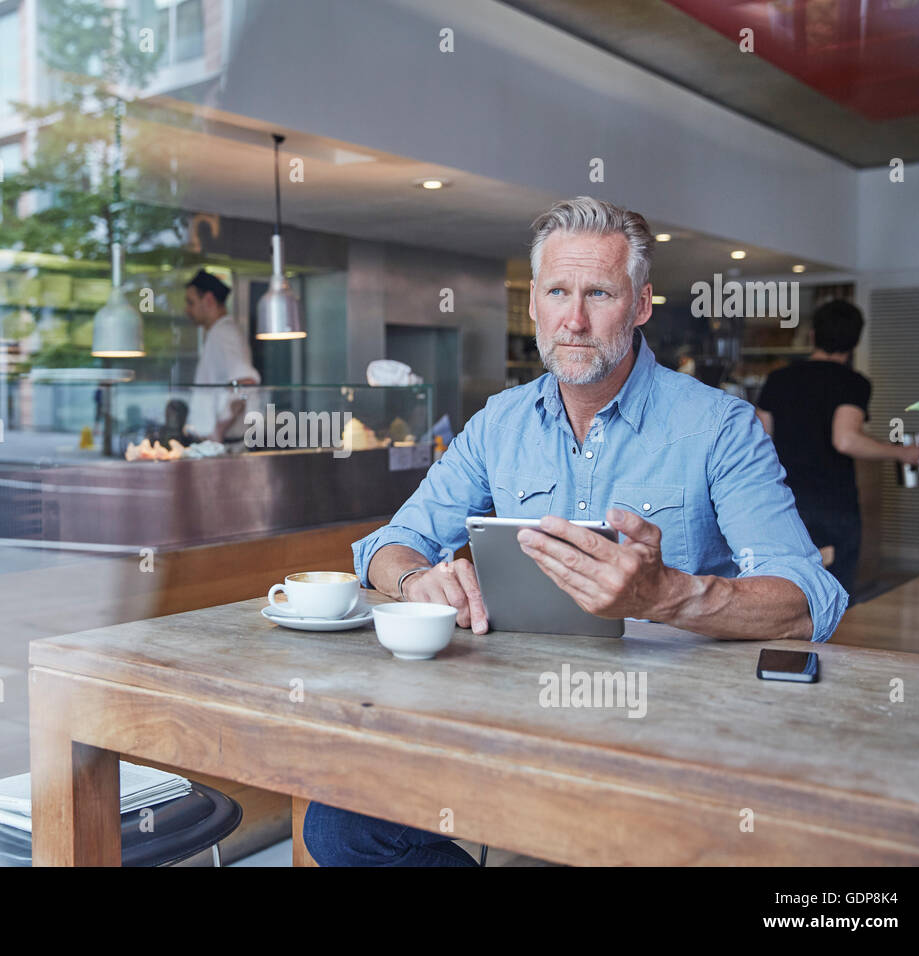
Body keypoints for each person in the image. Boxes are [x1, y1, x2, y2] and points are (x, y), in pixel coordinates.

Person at [302, 196, 848, 867]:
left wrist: (667, 596)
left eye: (600, 293)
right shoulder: (500, 424)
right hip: (515, 717)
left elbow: (807, 600)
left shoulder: (719, 427)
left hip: (668, 730)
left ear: (642, 304)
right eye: (558, 291)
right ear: (534, 301)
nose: (575, 319)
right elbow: (385, 545)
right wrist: (420, 579)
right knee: (341, 824)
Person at [755, 301, 919, 597]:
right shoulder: (853, 382)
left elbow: (761, 438)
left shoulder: (779, 378)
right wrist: (900, 453)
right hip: (833, 503)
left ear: (812, 335)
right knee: (835, 591)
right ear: (855, 342)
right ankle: (830, 642)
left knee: (785, 586)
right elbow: (845, 439)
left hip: (783, 499)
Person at [183, 270, 260, 444]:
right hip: (214, 443)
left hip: (224, 444)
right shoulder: (218, 332)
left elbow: (245, 384)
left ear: (209, 300)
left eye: (191, 302)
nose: (187, 310)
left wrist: (217, 432)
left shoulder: (224, 333)